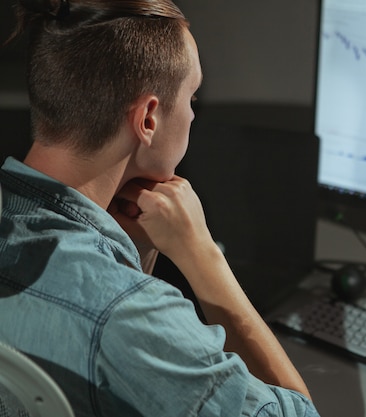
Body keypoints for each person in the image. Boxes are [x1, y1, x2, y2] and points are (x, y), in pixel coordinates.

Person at [0, 0, 320, 416]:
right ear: (148, 119)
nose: (191, 113)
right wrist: (201, 255)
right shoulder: (130, 315)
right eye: (192, 95)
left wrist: (135, 250)